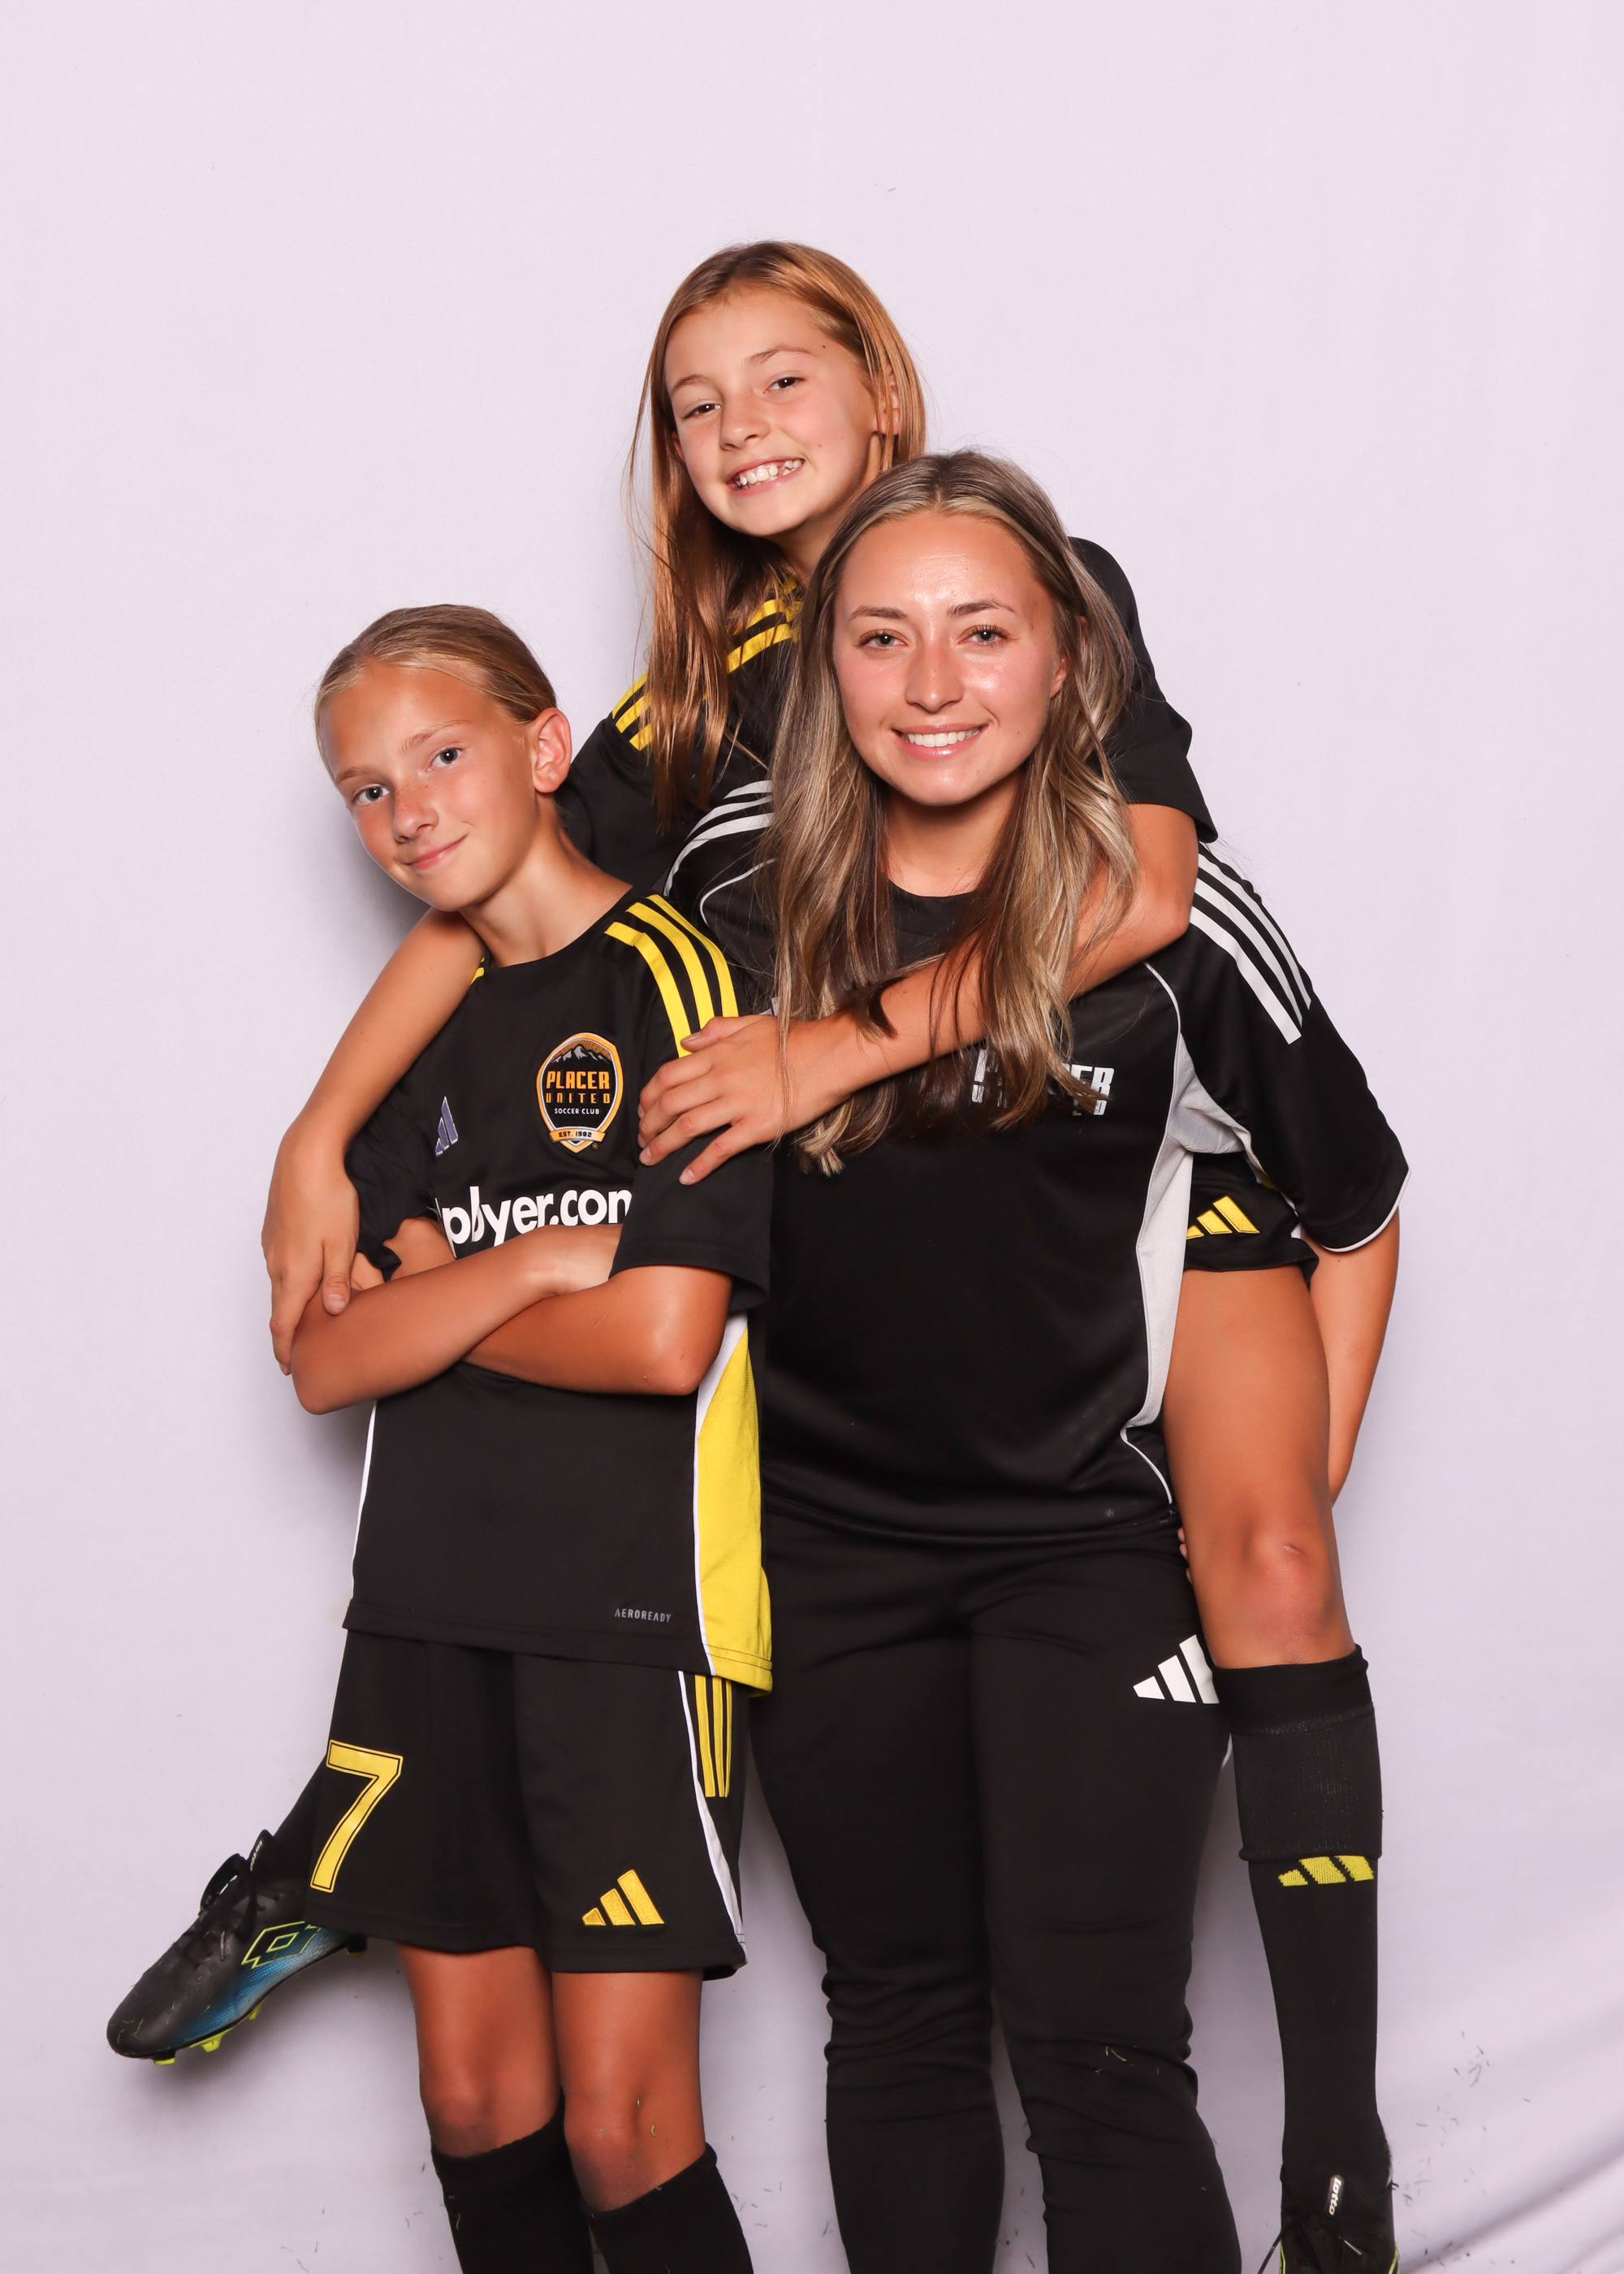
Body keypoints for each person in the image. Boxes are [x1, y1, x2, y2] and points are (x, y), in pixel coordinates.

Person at [105, 247, 1395, 2265]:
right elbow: (500, 884)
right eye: (696, 403)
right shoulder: (696, 753)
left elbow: (1148, 894)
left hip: (1071, 1472)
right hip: (820, 1513)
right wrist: (318, 1134)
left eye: (782, 378)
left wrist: (827, 1048)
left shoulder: (1058, 629)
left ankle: (1341, 2157)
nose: (741, 429)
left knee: (1103, 2013)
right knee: (895, 2012)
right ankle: (342, 1823)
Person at [730, 452, 1402, 2273]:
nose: (932, 685)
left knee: (1099, 2048)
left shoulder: (1179, 925)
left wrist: (1292, 1492)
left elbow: (1352, 1206)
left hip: (1084, 1554)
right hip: (820, 1551)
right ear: (823, 666)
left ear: (1068, 662)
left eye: (983, 633)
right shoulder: (735, 899)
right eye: (882, 637)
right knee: (897, 2022)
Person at [296, 604, 771, 2272]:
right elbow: (324, 1357)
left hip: (626, 1613)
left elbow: (660, 1338)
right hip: (424, 1605)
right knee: (474, 2097)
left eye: (441, 754)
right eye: (366, 788)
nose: (407, 807)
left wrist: (438, 1296)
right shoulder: (413, 1030)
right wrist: (530, 1263)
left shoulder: (680, 980)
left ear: (548, 747)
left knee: (620, 2123)